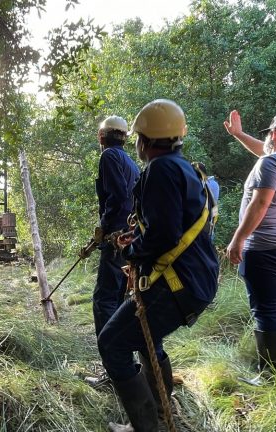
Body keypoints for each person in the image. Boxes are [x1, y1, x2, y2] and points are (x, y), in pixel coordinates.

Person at [100, 99, 219, 431]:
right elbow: (169, 228)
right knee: (145, 338)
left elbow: (164, 235)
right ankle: (162, 412)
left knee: (112, 343)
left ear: (146, 140)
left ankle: (148, 425)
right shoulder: (183, 167)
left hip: (179, 284)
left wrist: (132, 253)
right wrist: (138, 243)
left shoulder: (160, 169)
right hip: (193, 280)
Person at [223, 110, 276, 379]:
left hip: (264, 247)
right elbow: (266, 152)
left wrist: (239, 238)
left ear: (273, 133)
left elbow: (260, 204)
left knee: (266, 311)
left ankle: (270, 375)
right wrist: (238, 134)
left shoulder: (269, 164)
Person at [92, 115, 140, 337]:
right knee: (120, 297)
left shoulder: (108, 156)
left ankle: (110, 355)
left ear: (101, 136)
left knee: (104, 299)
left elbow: (118, 196)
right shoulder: (130, 162)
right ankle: (122, 356)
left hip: (116, 237)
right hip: (130, 236)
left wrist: (105, 226)